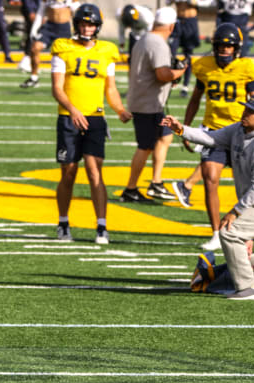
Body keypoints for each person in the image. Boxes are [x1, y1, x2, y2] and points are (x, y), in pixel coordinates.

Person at [50, 3, 132, 244]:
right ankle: (63, 223)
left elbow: (111, 88)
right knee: (68, 172)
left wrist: (120, 110)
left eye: (91, 24)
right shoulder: (63, 47)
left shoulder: (107, 50)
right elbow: (56, 88)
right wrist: (73, 110)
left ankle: (101, 226)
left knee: (95, 172)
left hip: (95, 118)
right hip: (69, 118)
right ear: (76, 25)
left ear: (98, 26)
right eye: (84, 23)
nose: (87, 28)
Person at [172, 23, 254, 251]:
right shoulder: (204, 66)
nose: (224, 50)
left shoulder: (247, 68)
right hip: (213, 129)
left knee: (250, 186)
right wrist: (186, 127)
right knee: (210, 177)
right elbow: (195, 98)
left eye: (229, 47)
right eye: (220, 46)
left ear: (236, 48)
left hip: (242, 131)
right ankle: (217, 232)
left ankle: (246, 231)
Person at [162, 103, 254, 300]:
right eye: (246, 109)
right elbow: (211, 138)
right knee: (237, 237)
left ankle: (247, 288)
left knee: (230, 231)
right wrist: (180, 129)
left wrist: (236, 212)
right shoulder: (238, 129)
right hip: (251, 201)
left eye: (251, 111)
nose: (245, 113)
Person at [119, 6, 187, 203]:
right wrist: (179, 73)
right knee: (145, 146)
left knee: (165, 136)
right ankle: (130, 189)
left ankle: (156, 182)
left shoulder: (145, 39)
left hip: (146, 100)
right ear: (171, 27)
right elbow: (162, 74)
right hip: (147, 103)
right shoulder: (157, 43)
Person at [20, 0, 78, 88]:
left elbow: (77, 12)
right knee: (35, 48)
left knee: (67, 56)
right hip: (49, 27)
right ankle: (34, 77)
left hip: (64, 29)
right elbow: (41, 12)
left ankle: (70, 79)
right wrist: (35, 29)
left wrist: (76, 30)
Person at [168, 0, 200, 98]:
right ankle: (169, 82)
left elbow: (204, 3)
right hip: (178, 21)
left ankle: (185, 86)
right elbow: (167, 3)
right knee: (170, 53)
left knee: (188, 55)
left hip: (190, 21)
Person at [15, 0, 40, 72]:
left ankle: (28, 60)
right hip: (31, 9)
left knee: (34, 34)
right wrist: (30, 11)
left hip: (36, 9)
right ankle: (26, 60)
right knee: (32, 34)